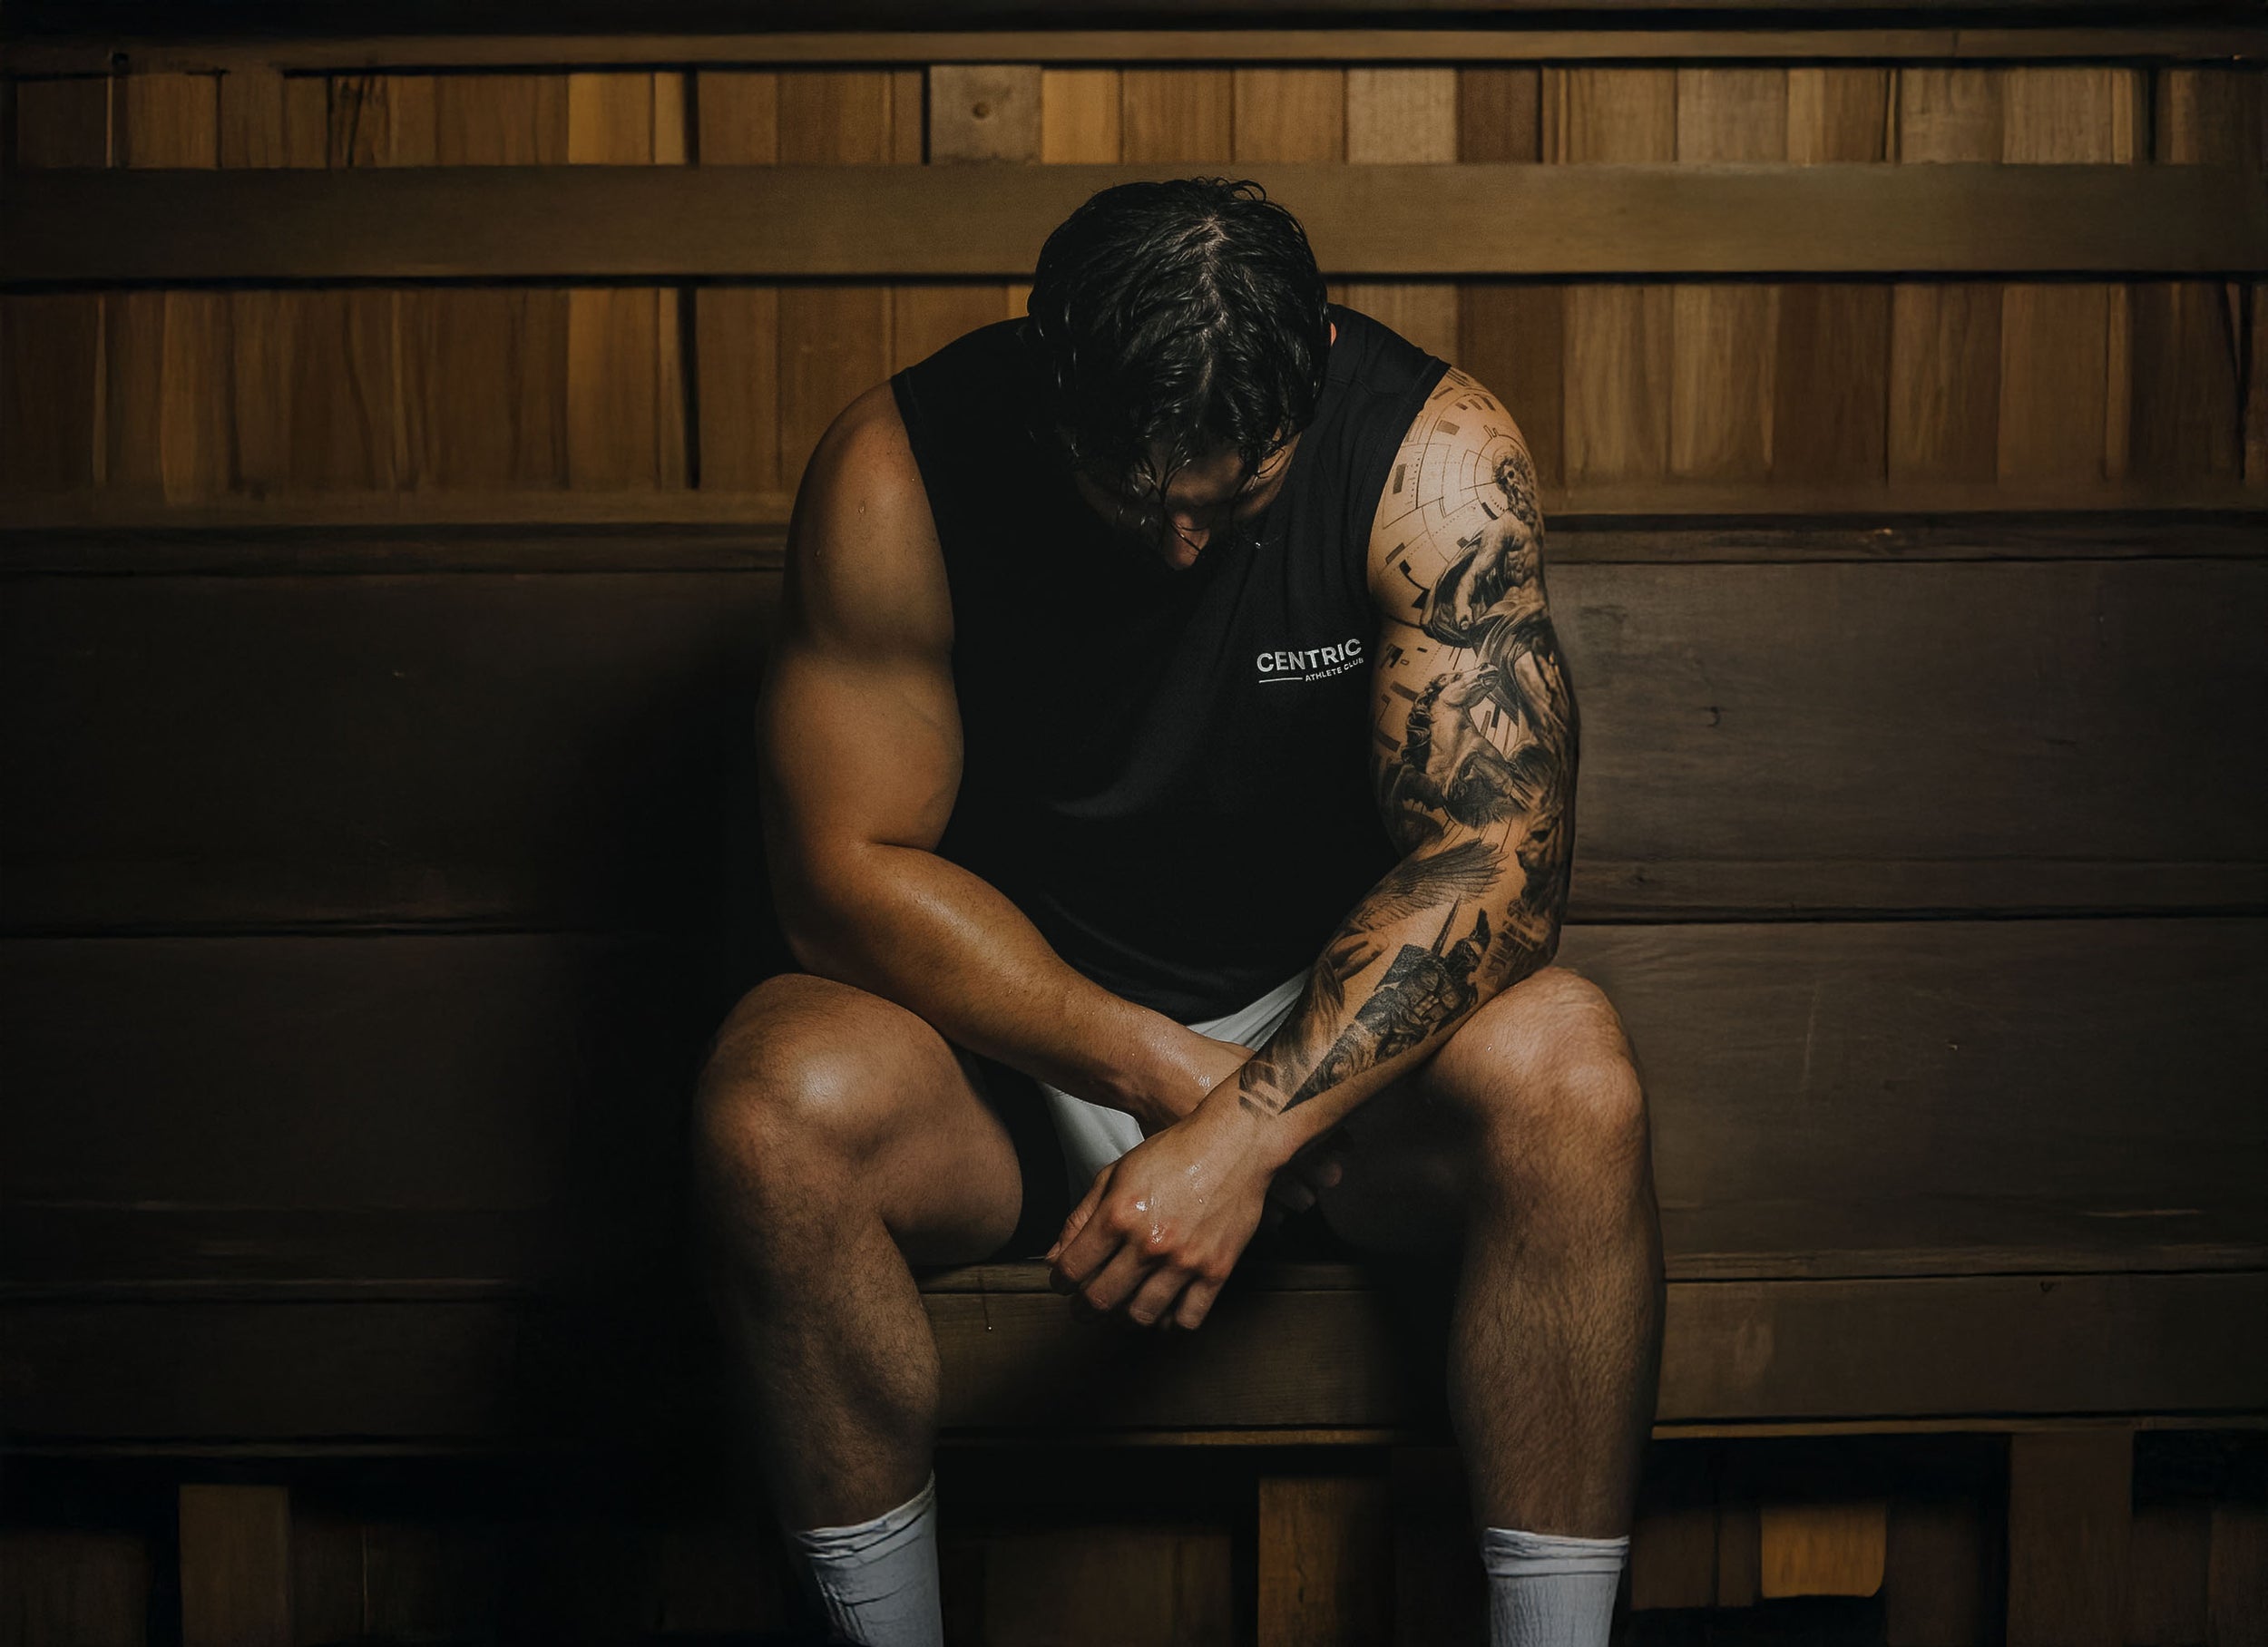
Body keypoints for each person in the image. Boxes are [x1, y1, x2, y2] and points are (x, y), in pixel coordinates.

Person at [692, 178, 1666, 1647]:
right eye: (1137, 497)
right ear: (1052, 382)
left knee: (1574, 1072)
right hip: (1017, 1048)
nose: (1184, 548)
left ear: (1317, 360)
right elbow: (842, 873)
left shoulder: (1439, 461)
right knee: (770, 1108)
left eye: (1237, 498)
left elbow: (1498, 862)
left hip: (1343, 1069)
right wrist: (1157, 1070)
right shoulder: (900, 468)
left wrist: (1250, 1130)